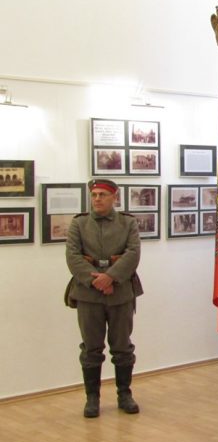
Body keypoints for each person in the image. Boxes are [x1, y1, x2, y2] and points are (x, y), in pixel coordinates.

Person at [65, 178, 143, 418]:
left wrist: (110, 277)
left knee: (122, 347)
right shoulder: (79, 223)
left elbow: (133, 253)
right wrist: (97, 281)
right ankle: (92, 399)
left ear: (114, 197)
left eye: (102, 195)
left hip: (120, 293)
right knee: (91, 348)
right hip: (88, 294)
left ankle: (124, 394)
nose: (97, 199)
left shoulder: (127, 223)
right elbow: (73, 256)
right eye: (94, 194)